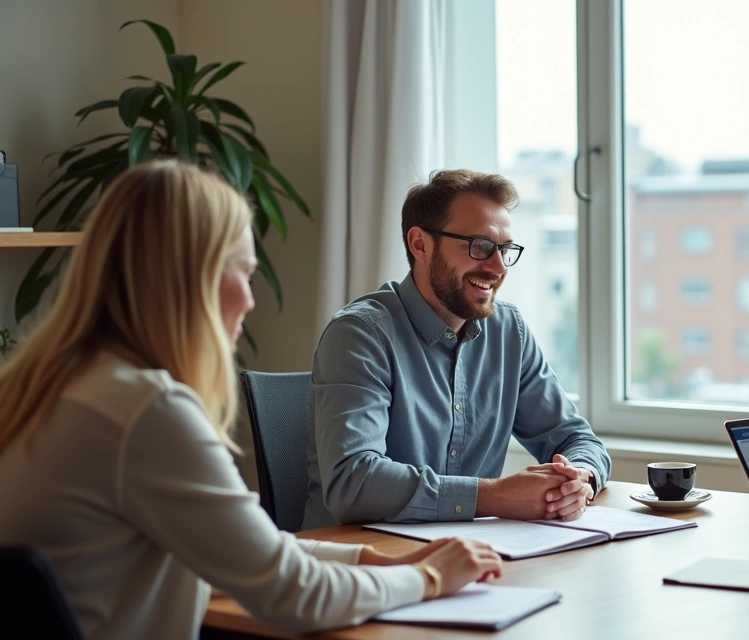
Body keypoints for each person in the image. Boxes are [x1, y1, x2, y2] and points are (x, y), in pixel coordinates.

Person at [0, 162, 502, 640]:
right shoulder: (146, 412)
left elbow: (236, 549)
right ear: (188, 278)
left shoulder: (51, 386)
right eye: (242, 273)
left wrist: (368, 561)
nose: (250, 299)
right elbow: (294, 594)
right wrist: (431, 578)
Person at [302, 168, 610, 529]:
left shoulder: (509, 332)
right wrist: (497, 496)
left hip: (468, 556)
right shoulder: (360, 335)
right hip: (362, 565)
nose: (497, 267)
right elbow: (354, 483)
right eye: (480, 247)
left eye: (505, 250)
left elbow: (576, 438)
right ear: (420, 245)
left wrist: (578, 480)